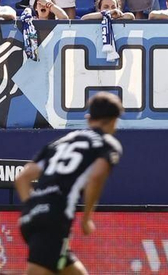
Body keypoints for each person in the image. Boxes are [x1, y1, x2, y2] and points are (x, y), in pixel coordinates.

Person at [14, 93, 124, 275]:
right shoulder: (107, 144)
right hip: (55, 217)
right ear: (114, 121)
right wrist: (87, 218)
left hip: (29, 217)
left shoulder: (61, 142)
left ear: (89, 119)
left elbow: (22, 177)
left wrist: (33, 208)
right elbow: (96, 177)